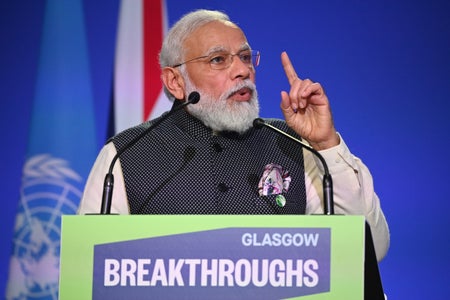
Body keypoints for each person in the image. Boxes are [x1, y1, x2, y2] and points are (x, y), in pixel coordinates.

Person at [78, 9, 389, 261]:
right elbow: (88, 271)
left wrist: (326, 145)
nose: (242, 70)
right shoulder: (126, 154)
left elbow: (369, 250)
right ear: (175, 82)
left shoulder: (293, 144)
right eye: (218, 60)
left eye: (244, 57)